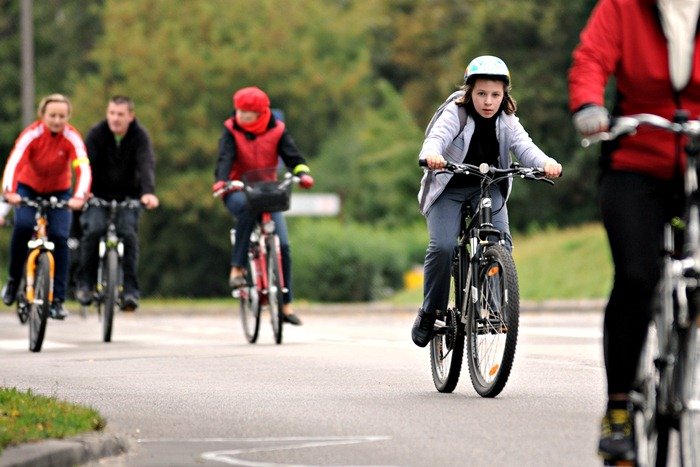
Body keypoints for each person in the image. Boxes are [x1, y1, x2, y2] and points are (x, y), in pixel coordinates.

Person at [569, 0, 700, 462]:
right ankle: (619, 408)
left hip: (696, 161)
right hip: (634, 160)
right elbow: (592, 58)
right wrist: (589, 103)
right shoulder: (624, 7)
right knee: (637, 277)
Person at [413, 55, 562, 347]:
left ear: (504, 94)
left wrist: (547, 163)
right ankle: (431, 312)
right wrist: (433, 156)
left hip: (487, 185)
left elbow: (526, 147)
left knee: (500, 242)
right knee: (442, 246)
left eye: (495, 94)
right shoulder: (456, 113)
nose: (488, 101)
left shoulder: (507, 121)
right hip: (450, 185)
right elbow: (436, 138)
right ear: (469, 91)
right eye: (481, 93)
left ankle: (493, 307)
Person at [212, 86, 314, 326]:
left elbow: (293, 157)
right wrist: (221, 181)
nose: (241, 116)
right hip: (237, 188)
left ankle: (286, 305)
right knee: (247, 209)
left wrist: (303, 173)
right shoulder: (231, 130)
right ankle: (237, 269)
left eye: (247, 113)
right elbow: (225, 157)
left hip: (267, 190)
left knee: (284, 245)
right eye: (239, 111)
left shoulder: (277, 130)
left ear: (260, 113)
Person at [1, 93, 92, 319]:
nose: (57, 120)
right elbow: (15, 161)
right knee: (22, 227)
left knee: (60, 238)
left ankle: (58, 300)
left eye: (62, 116)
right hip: (27, 189)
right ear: (42, 115)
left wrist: (79, 196)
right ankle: (13, 282)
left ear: (68, 117)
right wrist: (10, 192)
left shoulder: (72, 138)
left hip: (60, 192)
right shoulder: (32, 134)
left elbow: (83, 168)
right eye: (52, 115)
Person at [74, 96, 159, 312]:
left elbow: (146, 163)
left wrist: (148, 192)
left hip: (129, 196)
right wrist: (83, 192)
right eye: (112, 113)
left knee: (128, 235)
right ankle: (85, 283)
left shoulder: (139, 136)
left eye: (120, 114)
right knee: (93, 231)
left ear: (131, 116)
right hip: (97, 194)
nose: (115, 118)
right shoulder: (96, 134)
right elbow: (85, 166)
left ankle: (130, 290)